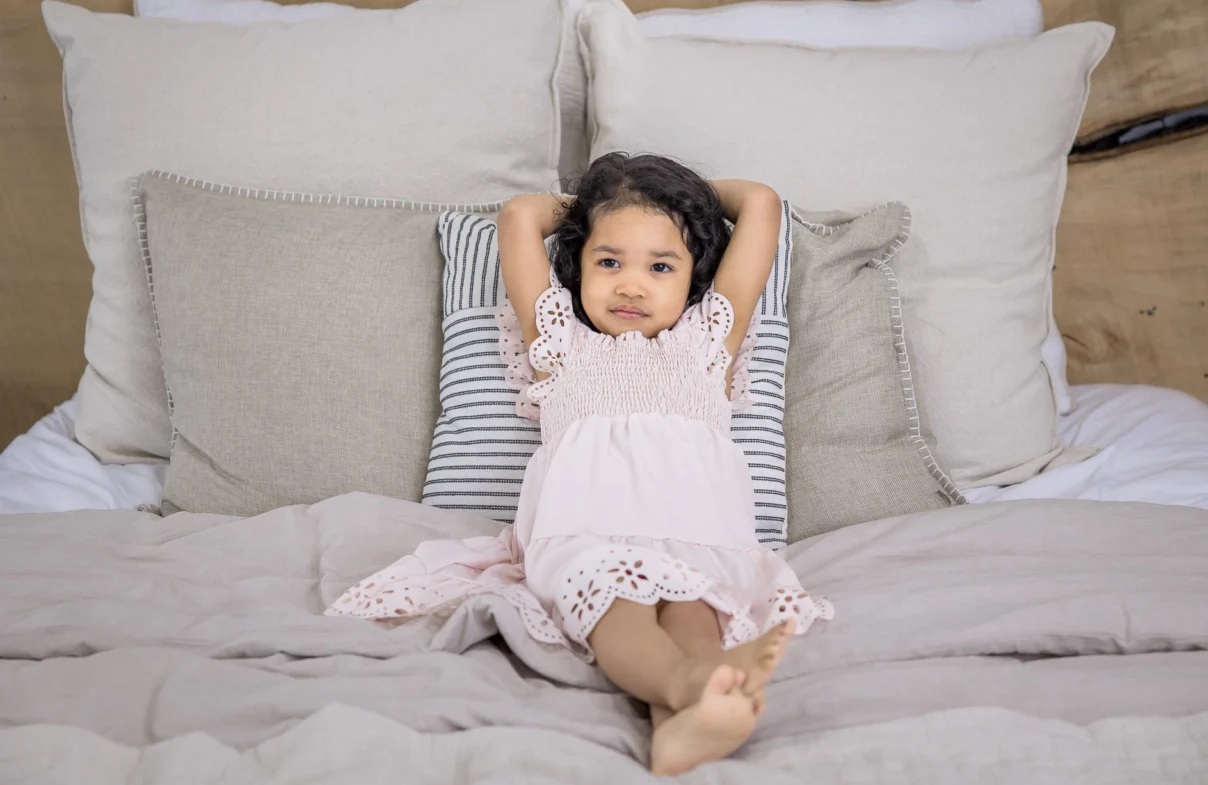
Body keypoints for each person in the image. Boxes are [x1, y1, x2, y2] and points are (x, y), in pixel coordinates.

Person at [328, 152, 832, 775]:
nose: (631, 283)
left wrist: (671, 199)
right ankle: (684, 685)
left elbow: (760, 202)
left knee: (695, 614)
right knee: (618, 606)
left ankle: (680, 729)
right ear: (580, 263)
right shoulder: (560, 345)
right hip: (587, 534)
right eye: (609, 260)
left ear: (694, 277)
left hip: (696, 533)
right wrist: (602, 200)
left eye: (660, 266)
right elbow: (518, 216)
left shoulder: (709, 342)